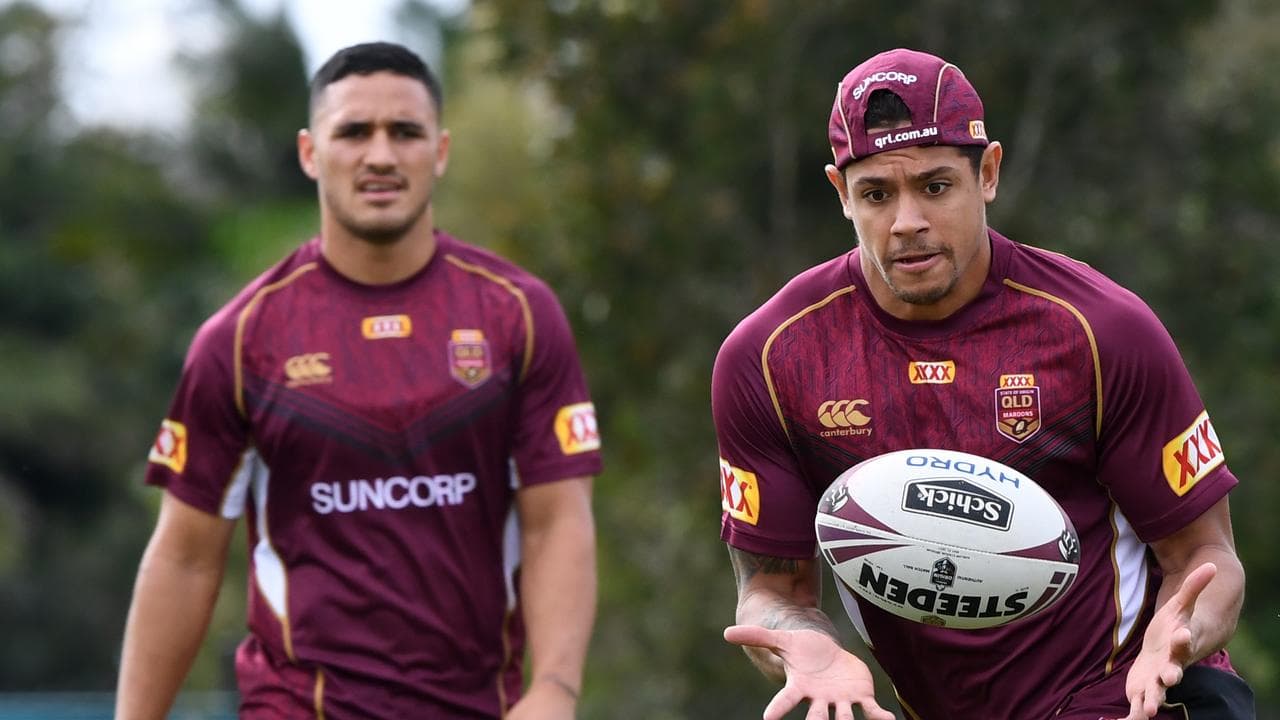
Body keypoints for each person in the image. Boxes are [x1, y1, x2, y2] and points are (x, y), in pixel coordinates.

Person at [713, 48, 1253, 720]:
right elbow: (773, 592)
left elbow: (1208, 557)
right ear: (839, 193)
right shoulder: (770, 359)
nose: (907, 221)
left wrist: (1179, 636)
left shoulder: (1101, 330)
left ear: (987, 173)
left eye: (935, 186)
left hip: (1139, 697)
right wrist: (802, 644)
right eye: (876, 193)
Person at [115, 42, 601, 720]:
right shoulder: (239, 338)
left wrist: (553, 688)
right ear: (312, 152)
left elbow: (556, 522)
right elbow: (186, 559)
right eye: (354, 132)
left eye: (405, 132)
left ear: (440, 151)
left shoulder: (518, 313)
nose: (380, 156)